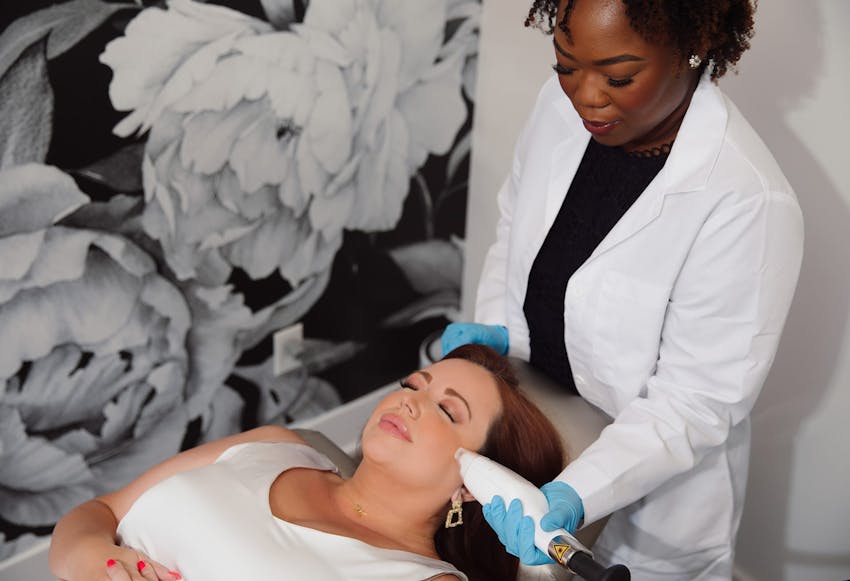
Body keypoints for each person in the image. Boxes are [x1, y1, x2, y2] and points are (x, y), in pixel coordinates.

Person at [441, 0, 804, 579]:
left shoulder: (746, 200)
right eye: (565, 64)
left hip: (648, 509)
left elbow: (695, 401)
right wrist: (503, 337)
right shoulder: (558, 111)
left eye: (618, 77)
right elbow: (516, 225)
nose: (585, 95)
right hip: (537, 424)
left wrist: (578, 493)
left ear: (693, 51)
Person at [48, 344, 565, 581]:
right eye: (414, 384)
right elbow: (99, 512)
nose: (410, 400)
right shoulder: (274, 444)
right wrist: (87, 555)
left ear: (477, 482)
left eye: (447, 411)